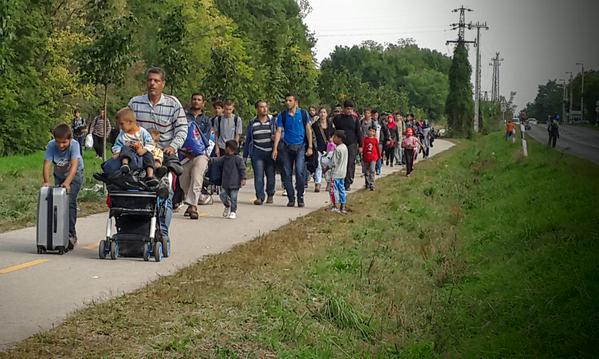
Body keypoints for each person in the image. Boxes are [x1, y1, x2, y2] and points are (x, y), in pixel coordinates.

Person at [128, 67, 188, 243]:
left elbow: (183, 128)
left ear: (163, 84)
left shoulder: (173, 104)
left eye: (156, 81)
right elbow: (126, 126)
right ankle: (133, 228)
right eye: (149, 80)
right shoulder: (135, 103)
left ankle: (162, 232)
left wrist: (173, 146)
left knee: (165, 190)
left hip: (164, 152)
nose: (152, 83)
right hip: (140, 152)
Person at [42, 123, 84, 249]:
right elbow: (47, 164)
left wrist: (67, 182)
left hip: (75, 175)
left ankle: (71, 233)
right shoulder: (51, 145)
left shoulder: (74, 145)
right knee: (57, 202)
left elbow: (74, 165)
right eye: (58, 142)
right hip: (59, 175)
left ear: (70, 139)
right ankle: (58, 232)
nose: (61, 145)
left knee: (69, 201)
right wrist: (46, 181)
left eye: (64, 142)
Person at [272, 93, 314, 208]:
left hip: (300, 146)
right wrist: (275, 148)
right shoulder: (283, 115)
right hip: (286, 147)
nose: (288, 103)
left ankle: (300, 196)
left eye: (290, 100)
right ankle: (291, 198)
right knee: (286, 172)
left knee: (300, 172)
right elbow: (279, 131)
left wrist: (310, 146)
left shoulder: (303, 113)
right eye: (286, 100)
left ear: (295, 102)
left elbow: (308, 130)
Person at [111, 107, 159, 187]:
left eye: (122, 124)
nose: (120, 127)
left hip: (141, 152)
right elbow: (118, 144)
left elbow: (150, 143)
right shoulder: (122, 134)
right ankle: (125, 165)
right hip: (129, 153)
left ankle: (150, 176)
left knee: (149, 155)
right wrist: (117, 152)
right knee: (125, 148)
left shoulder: (143, 132)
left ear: (130, 122)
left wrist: (145, 149)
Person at [243, 100, 276, 205]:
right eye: (261, 107)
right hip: (257, 152)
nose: (264, 109)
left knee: (270, 175)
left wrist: (275, 138)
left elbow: (281, 133)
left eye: (266, 106)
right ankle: (260, 197)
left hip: (270, 152)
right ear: (257, 109)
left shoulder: (273, 121)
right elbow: (248, 139)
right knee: (258, 175)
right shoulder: (253, 122)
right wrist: (245, 155)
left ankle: (270, 194)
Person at [178, 115, 210, 220]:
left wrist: (196, 149)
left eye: (199, 99)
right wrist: (184, 151)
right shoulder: (178, 123)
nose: (196, 101)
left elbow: (206, 139)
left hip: (200, 155)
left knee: (197, 177)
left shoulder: (205, 120)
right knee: (183, 181)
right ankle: (191, 203)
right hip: (183, 156)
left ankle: (193, 206)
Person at [210, 140, 246, 219]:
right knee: (222, 195)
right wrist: (209, 159)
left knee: (233, 197)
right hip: (225, 182)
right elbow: (217, 160)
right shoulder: (225, 158)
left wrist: (243, 178)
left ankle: (233, 211)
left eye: (226, 147)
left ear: (229, 148)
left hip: (235, 183)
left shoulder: (238, 159)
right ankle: (227, 205)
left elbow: (242, 169)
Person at [332, 100, 362, 191]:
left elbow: (358, 132)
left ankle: (348, 182)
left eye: (351, 109)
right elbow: (333, 129)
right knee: (339, 163)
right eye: (347, 109)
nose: (349, 111)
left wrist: (361, 145)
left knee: (350, 163)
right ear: (344, 109)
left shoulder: (355, 119)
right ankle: (338, 181)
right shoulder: (338, 118)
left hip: (352, 144)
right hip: (340, 144)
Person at [311, 106, 335, 193]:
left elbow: (334, 134)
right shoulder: (315, 125)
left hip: (329, 148)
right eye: (321, 112)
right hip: (318, 148)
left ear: (327, 114)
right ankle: (318, 183)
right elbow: (312, 136)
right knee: (318, 165)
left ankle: (329, 182)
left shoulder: (330, 124)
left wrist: (332, 139)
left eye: (324, 112)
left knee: (328, 166)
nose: (322, 114)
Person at [329, 130, 348, 214]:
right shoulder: (345, 147)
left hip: (336, 173)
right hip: (343, 172)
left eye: (334, 137)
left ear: (339, 138)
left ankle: (335, 206)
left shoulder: (337, 149)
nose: (333, 138)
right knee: (341, 189)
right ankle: (343, 205)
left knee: (333, 190)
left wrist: (326, 167)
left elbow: (333, 162)